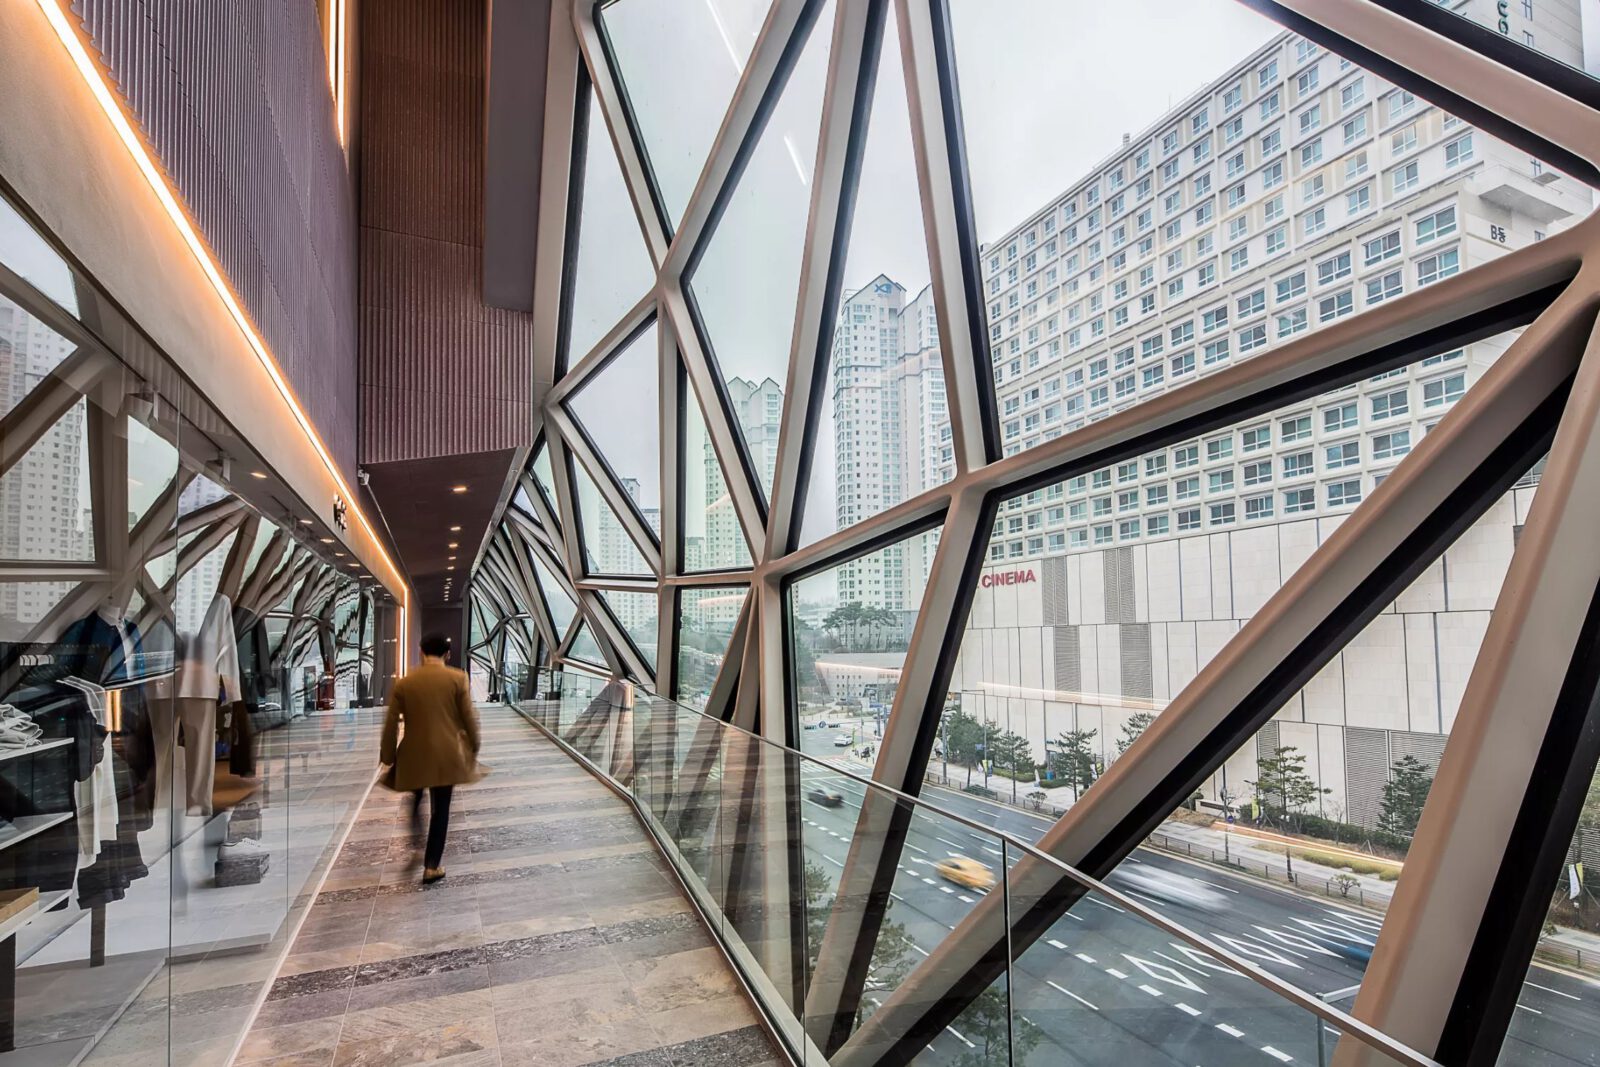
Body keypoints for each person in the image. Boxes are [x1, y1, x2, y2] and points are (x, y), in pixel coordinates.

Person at [380, 632, 482, 884]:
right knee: (441, 809)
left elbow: (391, 722)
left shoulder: (405, 683)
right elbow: (469, 717)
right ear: (447, 654)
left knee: (415, 797)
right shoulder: (458, 678)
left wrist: (388, 755)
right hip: (446, 754)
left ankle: (416, 841)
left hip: (413, 754)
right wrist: (474, 745)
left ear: (421, 652)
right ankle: (432, 865)